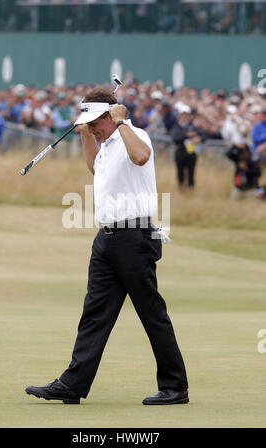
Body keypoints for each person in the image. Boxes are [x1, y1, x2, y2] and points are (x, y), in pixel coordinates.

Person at [25, 87, 189, 406]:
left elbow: (140, 157)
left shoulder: (134, 135)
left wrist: (122, 123)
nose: (95, 128)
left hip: (135, 237)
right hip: (107, 239)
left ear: (110, 115)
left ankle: (175, 386)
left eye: (97, 122)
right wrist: (87, 134)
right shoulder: (104, 145)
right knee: (94, 312)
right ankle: (73, 383)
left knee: (151, 312)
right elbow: (95, 168)